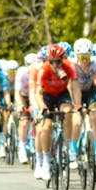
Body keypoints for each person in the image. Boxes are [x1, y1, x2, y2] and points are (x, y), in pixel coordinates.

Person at [33, 44, 80, 182]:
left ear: (62, 59)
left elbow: (76, 87)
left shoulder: (69, 67)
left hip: (61, 95)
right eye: (51, 61)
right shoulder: (43, 70)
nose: (55, 64)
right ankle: (45, 162)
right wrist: (42, 106)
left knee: (68, 112)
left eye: (58, 61)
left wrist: (77, 104)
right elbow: (38, 92)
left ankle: (68, 144)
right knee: (46, 127)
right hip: (46, 96)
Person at [73, 37, 96, 166]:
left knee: (95, 116)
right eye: (81, 57)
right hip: (75, 91)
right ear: (76, 56)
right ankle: (73, 152)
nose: (84, 60)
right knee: (77, 121)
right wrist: (77, 105)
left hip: (90, 92)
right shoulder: (72, 66)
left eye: (87, 57)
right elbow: (72, 87)